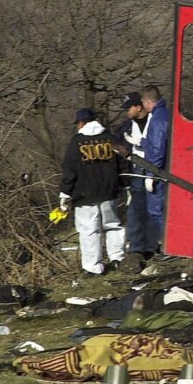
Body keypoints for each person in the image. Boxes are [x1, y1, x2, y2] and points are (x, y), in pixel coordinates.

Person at [60, 108, 125, 275]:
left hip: (85, 194)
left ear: (81, 123)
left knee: (89, 230)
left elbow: (70, 170)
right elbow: (123, 162)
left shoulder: (77, 142)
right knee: (113, 225)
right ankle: (117, 258)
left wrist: (65, 193)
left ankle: (93, 267)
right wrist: (125, 185)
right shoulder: (110, 139)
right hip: (109, 191)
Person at [117, 92, 156, 272]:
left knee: (155, 208)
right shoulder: (125, 128)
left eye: (129, 108)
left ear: (138, 107)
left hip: (155, 167)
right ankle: (137, 247)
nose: (126, 112)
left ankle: (153, 244)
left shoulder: (155, 122)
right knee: (136, 209)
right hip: (136, 170)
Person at [140, 86, 168, 248]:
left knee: (156, 211)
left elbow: (157, 149)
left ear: (149, 102)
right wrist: (142, 142)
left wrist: (151, 174)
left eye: (143, 103)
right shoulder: (164, 114)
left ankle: (166, 245)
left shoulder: (157, 119)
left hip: (159, 172)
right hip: (163, 169)